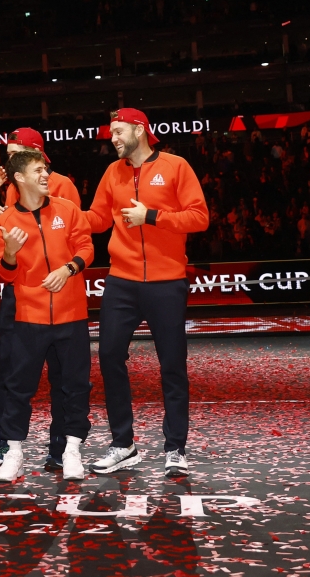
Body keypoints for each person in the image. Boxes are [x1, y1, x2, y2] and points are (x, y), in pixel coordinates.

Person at [84, 108, 208, 478]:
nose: (114, 138)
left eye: (119, 131)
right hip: (121, 280)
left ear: (140, 130)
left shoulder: (175, 165)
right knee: (108, 356)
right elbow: (97, 219)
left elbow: (199, 217)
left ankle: (176, 448)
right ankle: (124, 444)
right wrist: (50, 210)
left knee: (172, 364)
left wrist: (151, 216)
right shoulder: (113, 172)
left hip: (167, 281)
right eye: (112, 133)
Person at [0, 127, 83, 470]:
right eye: (7, 155)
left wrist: (67, 269)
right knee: (12, 372)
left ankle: (60, 448)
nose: (7, 161)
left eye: (14, 154)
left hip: (59, 295)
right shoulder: (2, 186)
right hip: (19, 293)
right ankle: (4, 444)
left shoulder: (60, 186)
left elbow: (71, 233)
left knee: (63, 376)